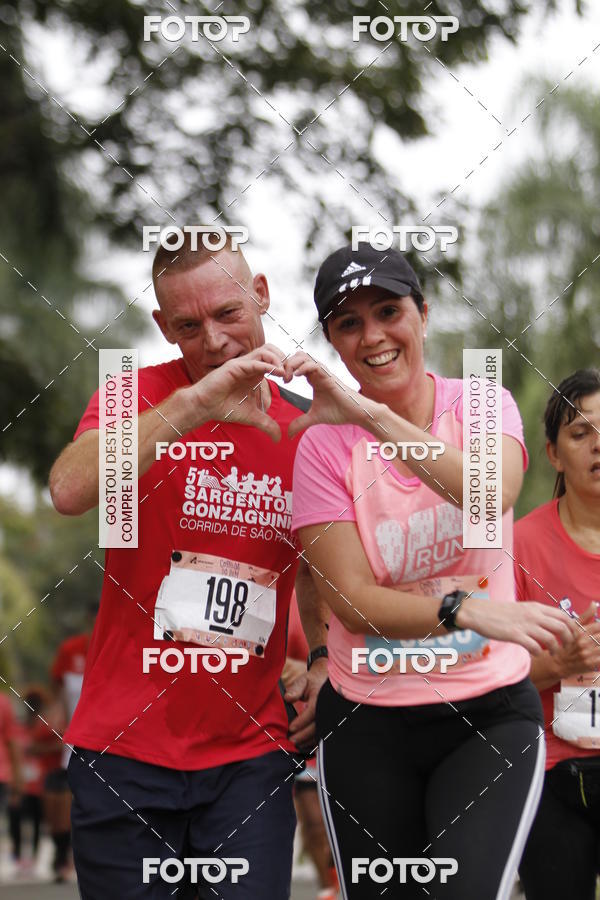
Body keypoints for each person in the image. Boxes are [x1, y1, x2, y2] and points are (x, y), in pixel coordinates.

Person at [288, 242, 577, 899]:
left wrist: (371, 414)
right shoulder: (321, 446)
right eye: (348, 323)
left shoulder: (479, 404)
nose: (374, 336)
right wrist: (462, 609)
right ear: (332, 338)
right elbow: (354, 603)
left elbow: (488, 493)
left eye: (389, 311)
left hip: (487, 713)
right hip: (367, 721)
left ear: (422, 314)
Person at [48, 232, 329, 899]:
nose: (214, 338)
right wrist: (197, 402)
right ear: (162, 327)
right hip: (124, 750)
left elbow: (319, 566)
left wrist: (321, 658)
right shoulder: (133, 396)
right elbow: (70, 489)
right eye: (187, 325)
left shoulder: (307, 428)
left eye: (228, 313)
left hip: (249, 755)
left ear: (260, 293)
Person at [514, 368, 600, 900]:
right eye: (581, 432)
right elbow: (484, 673)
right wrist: (560, 664)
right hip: (550, 770)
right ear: (552, 453)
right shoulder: (518, 545)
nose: (598, 445)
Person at [282, 593, 338, 900]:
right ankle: (328, 886)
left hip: (348, 717)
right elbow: (271, 662)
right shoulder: (284, 597)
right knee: (314, 823)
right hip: (303, 725)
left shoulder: (342, 587)